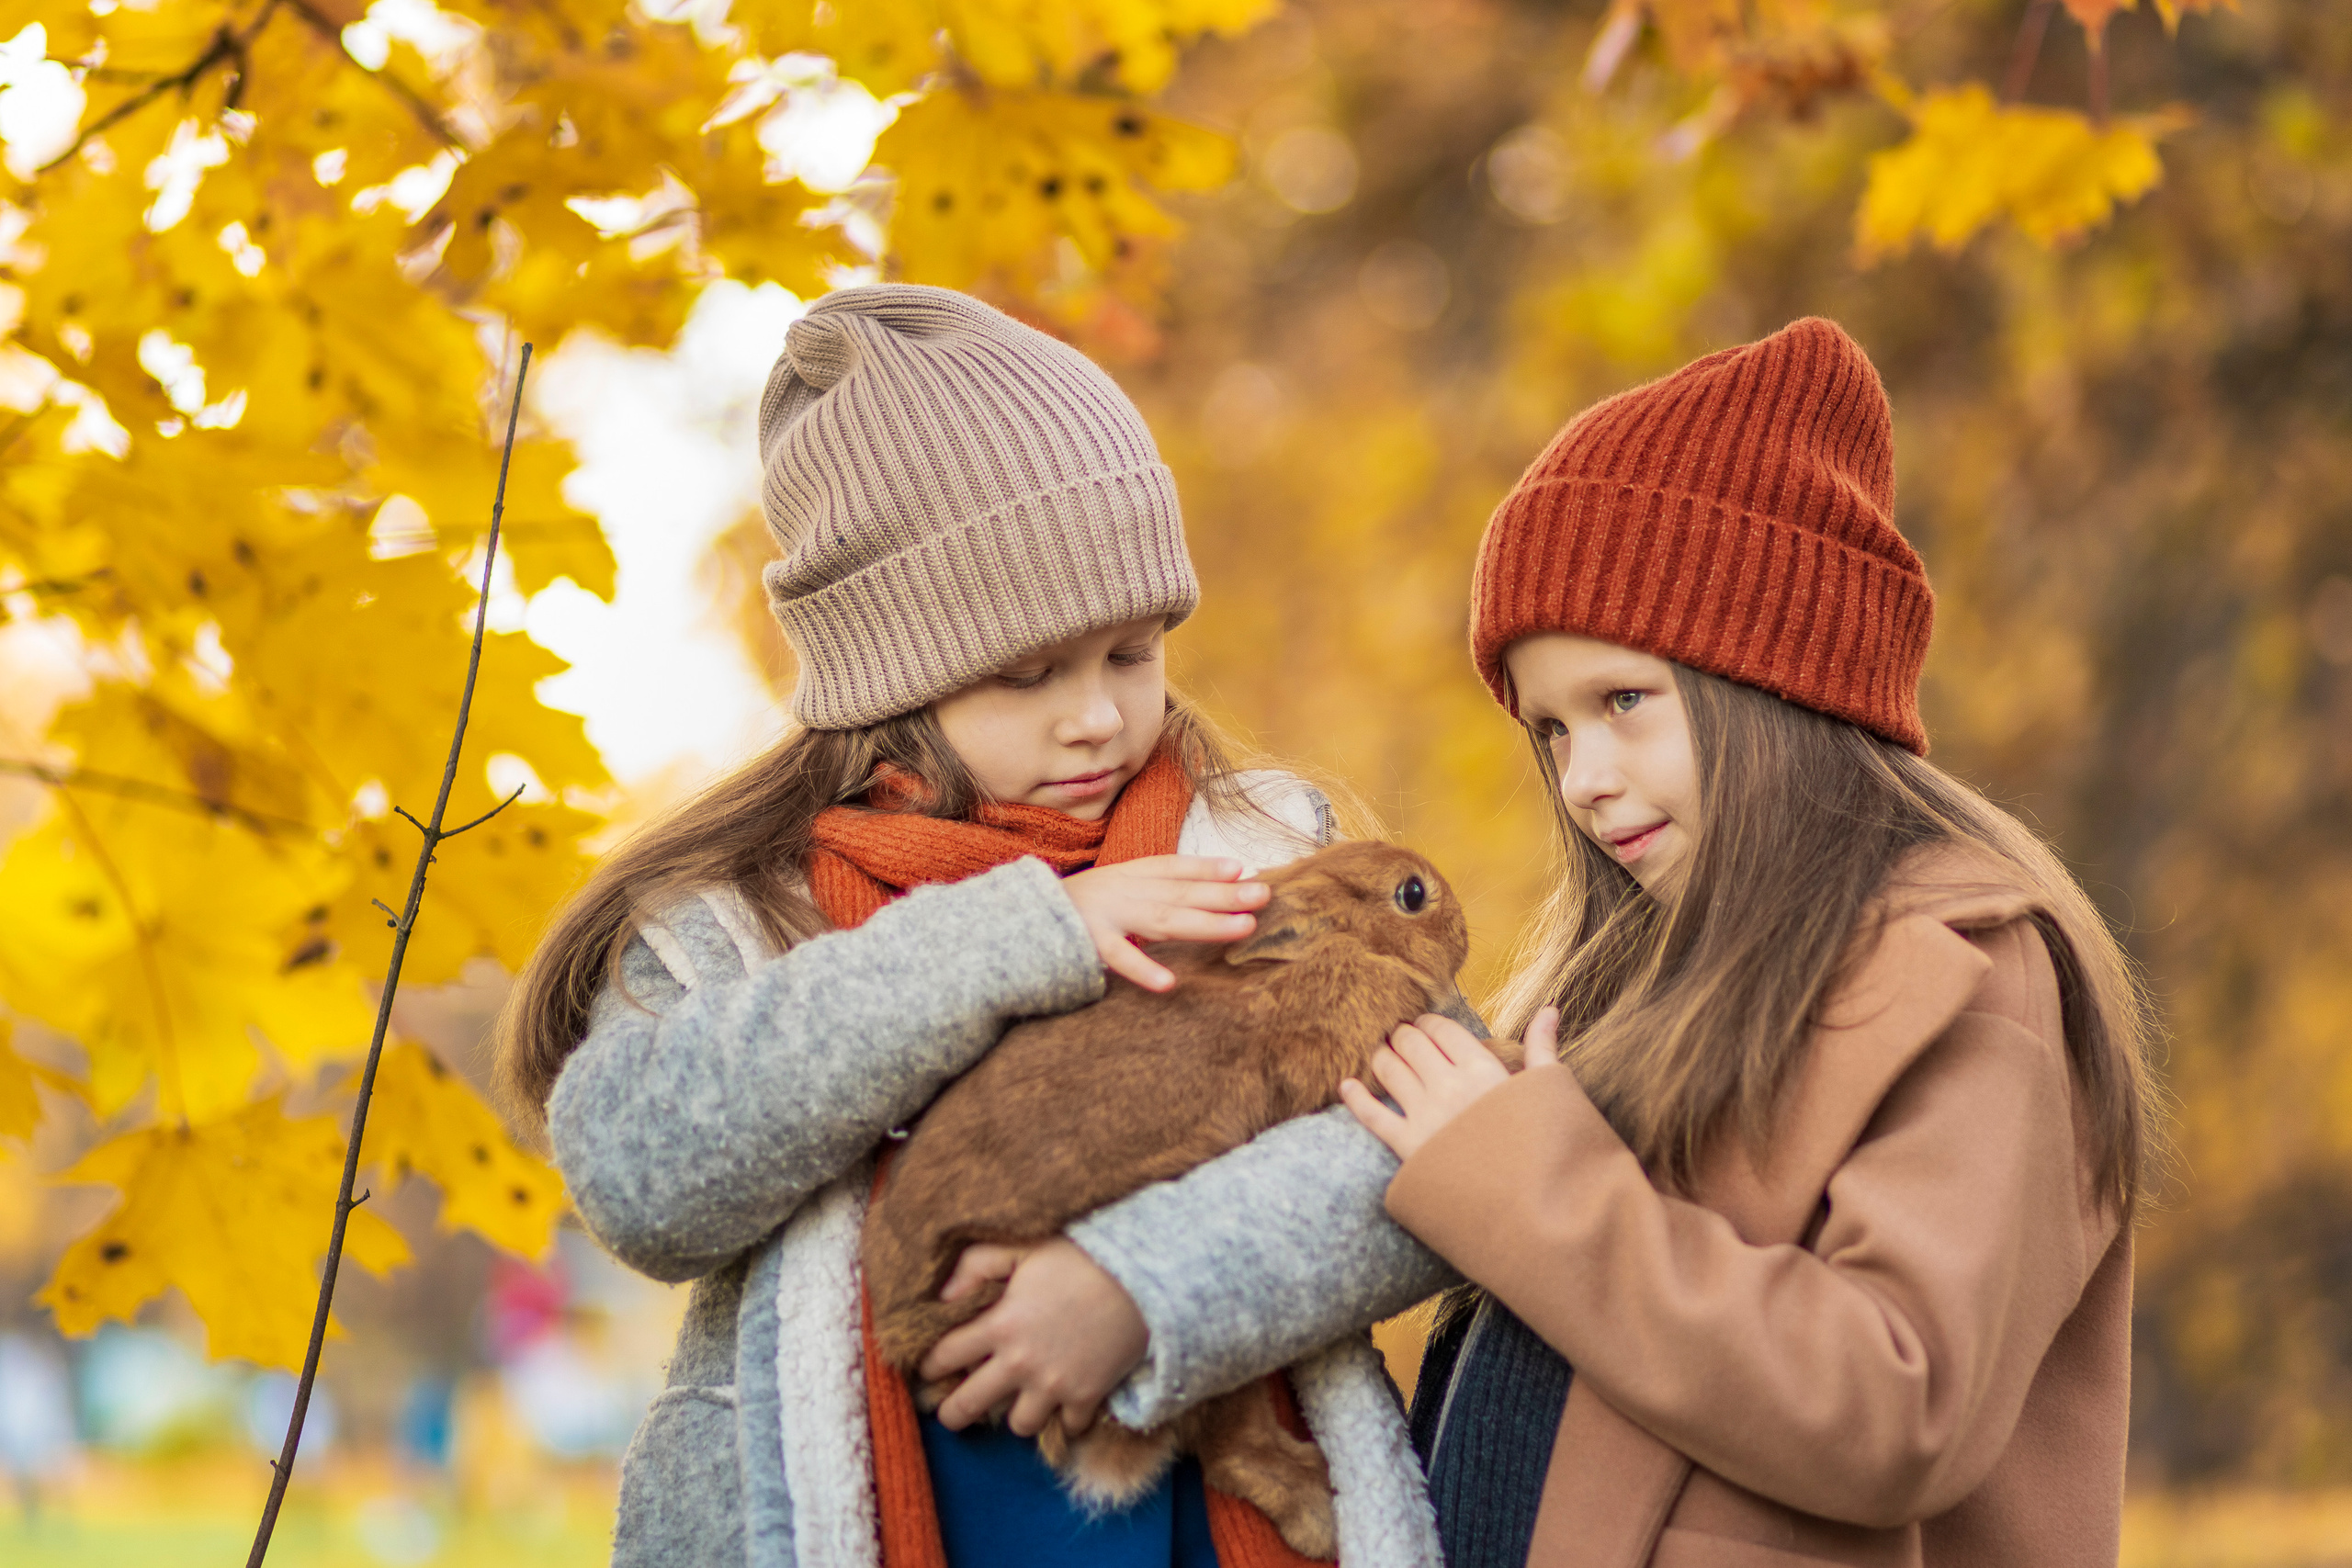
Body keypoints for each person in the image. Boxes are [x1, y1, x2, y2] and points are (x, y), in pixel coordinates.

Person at [497, 284, 1450, 1568]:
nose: (1099, 717)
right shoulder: (744, 919)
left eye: (1132, 651)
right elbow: (641, 1179)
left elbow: (1433, 1147)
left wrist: (1147, 1288)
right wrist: (1010, 942)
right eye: (1026, 673)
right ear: (889, 675)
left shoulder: (1263, 851)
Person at [1339, 317, 2156, 1568]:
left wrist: (1532, 1187)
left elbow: (1899, 1408)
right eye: (1552, 730)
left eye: (1623, 703)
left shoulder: (1963, 971)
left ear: (1778, 685)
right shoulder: (1633, 980)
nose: (1584, 779)